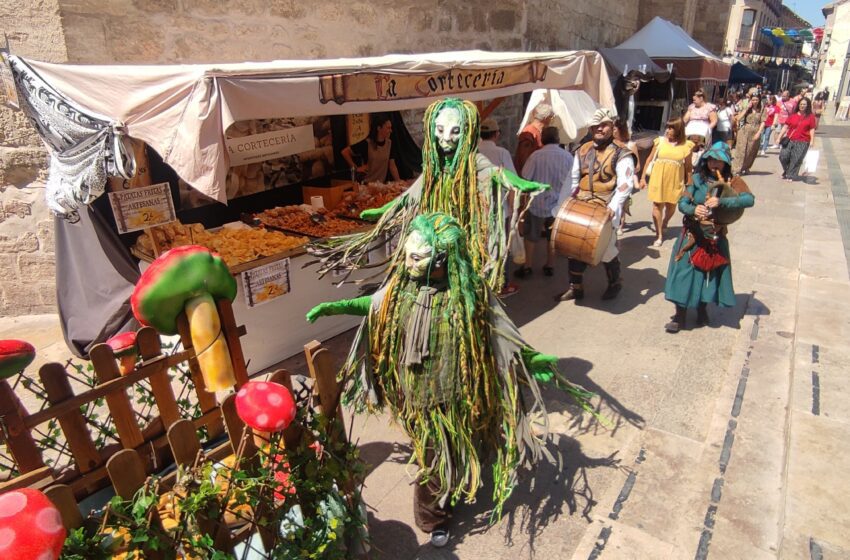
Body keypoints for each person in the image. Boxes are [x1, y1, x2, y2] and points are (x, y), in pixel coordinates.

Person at [306, 212, 592, 547]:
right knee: (434, 456)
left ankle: (453, 484)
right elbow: (373, 304)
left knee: (462, 447)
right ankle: (433, 517)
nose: (412, 268)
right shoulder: (401, 289)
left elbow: (502, 334)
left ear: (446, 260)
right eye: (411, 259)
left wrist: (529, 361)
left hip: (459, 395)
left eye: (421, 261)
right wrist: (334, 307)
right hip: (416, 395)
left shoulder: (470, 295)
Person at [664, 142, 755, 332]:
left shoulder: (733, 180)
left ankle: (702, 310)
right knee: (683, 274)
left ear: (726, 163)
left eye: (719, 161)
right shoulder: (695, 179)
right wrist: (693, 209)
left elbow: (749, 200)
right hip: (692, 235)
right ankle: (679, 316)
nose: (714, 164)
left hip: (715, 237)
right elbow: (682, 203)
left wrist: (722, 201)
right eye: (711, 159)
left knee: (709, 276)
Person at [554, 108, 636, 301]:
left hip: (604, 205)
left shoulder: (621, 153)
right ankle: (576, 287)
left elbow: (626, 184)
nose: (599, 129)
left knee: (606, 249)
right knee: (573, 247)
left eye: (604, 125)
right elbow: (572, 179)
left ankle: (615, 282)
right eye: (596, 126)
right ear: (591, 129)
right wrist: (562, 206)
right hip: (581, 204)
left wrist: (613, 208)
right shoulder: (582, 150)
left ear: (612, 127)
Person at [517, 126, 573, 277]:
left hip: (537, 203)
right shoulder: (568, 157)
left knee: (531, 236)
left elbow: (525, 176)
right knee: (552, 237)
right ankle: (550, 265)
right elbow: (572, 180)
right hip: (558, 204)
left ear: (542, 139)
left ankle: (528, 266)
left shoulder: (536, 156)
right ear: (558, 139)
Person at [478, 117, 520, 297]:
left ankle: (481, 281)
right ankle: (501, 283)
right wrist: (513, 209)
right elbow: (511, 183)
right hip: (499, 208)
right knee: (500, 246)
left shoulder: (473, 152)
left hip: (477, 208)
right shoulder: (502, 153)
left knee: (481, 244)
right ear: (496, 134)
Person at [640, 118, 693, 247]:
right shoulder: (660, 142)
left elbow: (688, 167)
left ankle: (665, 221)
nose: (668, 130)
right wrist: (642, 178)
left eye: (671, 128)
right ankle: (659, 234)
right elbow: (648, 160)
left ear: (678, 130)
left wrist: (689, 184)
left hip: (675, 180)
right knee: (656, 207)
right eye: (667, 127)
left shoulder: (687, 145)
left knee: (671, 206)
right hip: (658, 178)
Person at [341, 113, 401, 183]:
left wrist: (399, 182)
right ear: (379, 128)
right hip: (366, 184)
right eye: (388, 128)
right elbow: (345, 152)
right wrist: (355, 168)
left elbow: (392, 165)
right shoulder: (367, 143)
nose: (391, 131)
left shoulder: (390, 144)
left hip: (381, 184)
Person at [778, 97, 817, 182]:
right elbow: (785, 127)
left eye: (804, 104)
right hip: (790, 139)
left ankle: (790, 175)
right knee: (783, 156)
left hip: (803, 141)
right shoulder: (793, 115)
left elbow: (812, 129)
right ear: (798, 105)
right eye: (801, 104)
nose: (802, 106)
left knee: (796, 159)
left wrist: (812, 141)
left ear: (808, 106)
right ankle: (787, 171)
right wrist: (779, 137)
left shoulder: (811, 117)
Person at [613, 118, 640, 234]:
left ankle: (620, 225)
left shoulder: (631, 145)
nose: (612, 131)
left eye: (614, 128)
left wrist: (627, 171)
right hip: (612, 179)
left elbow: (637, 165)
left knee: (622, 202)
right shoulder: (610, 144)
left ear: (620, 130)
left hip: (624, 179)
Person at [514, 103, 554, 172]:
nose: (552, 119)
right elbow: (524, 158)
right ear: (545, 117)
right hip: (528, 178)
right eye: (551, 117)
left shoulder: (540, 132)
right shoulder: (529, 132)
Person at [732, 93, 763, 176]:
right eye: (753, 100)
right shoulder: (747, 108)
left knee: (751, 151)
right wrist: (746, 108)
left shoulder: (762, 109)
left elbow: (763, 122)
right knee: (741, 150)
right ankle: (736, 169)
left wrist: (759, 133)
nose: (755, 101)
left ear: (759, 100)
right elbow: (738, 118)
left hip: (755, 130)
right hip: (745, 130)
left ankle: (746, 167)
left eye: (756, 100)